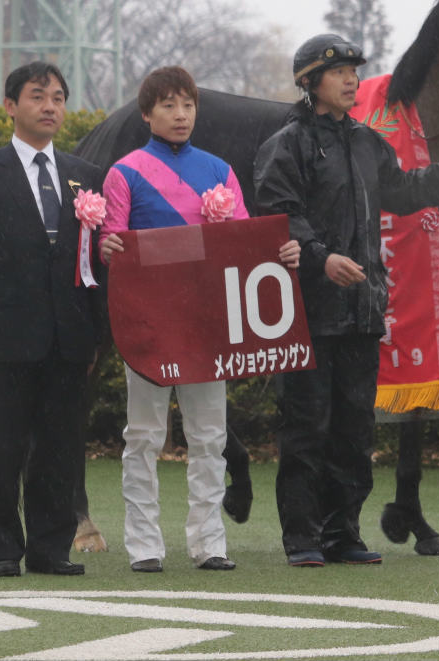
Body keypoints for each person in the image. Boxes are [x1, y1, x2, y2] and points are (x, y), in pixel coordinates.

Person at [252, 33, 439, 567]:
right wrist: (320, 257)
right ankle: (303, 539)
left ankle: (344, 534)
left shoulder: (365, 141)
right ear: (311, 82)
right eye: (339, 73)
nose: (352, 79)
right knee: (307, 427)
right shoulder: (285, 145)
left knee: (354, 431)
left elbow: (400, 191)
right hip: (307, 313)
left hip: (361, 311)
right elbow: (278, 216)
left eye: (355, 71)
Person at [99, 66, 300, 574]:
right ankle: (144, 544)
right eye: (168, 105)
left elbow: (243, 246)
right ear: (147, 114)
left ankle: (209, 542)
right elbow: (112, 247)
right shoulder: (123, 173)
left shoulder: (220, 171)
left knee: (210, 434)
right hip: (148, 325)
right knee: (143, 434)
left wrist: (285, 251)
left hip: (206, 325)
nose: (180, 114)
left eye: (187, 104)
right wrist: (108, 246)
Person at [0, 61, 105, 578]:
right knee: (0, 449)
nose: (50, 106)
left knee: (60, 450)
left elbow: (97, 261)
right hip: (3, 338)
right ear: (11, 105)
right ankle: (3, 551)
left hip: (70, 338)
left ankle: (50, 548)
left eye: (58, 97)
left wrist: (96, 334)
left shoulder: (86, 179)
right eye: (38, 96)